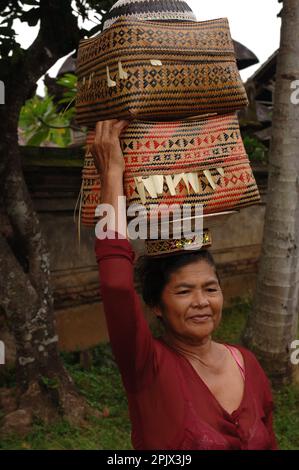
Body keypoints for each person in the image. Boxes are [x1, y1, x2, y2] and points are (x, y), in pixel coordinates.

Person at [92, 119, 278, 450]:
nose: (202, 301)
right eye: (183, 291)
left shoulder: (247, 363)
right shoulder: (147, 366)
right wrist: (111, 175)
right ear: (156, 306)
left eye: (210, 288)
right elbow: (116, 284)